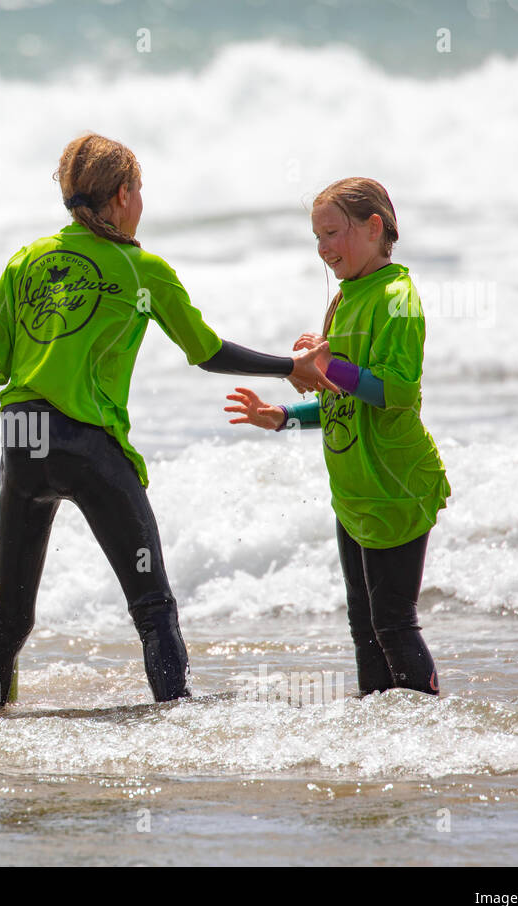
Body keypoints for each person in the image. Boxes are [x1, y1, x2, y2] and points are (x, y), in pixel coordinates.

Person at [0, 132, 336, 709]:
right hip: (87, 444)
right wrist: (289, 366)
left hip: (23, 443)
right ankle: (177, 716)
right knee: (152, 604)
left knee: (9, 616)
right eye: (140, 192)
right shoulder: (140, 268)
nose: (141, 204)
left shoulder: (26, 261)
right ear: (121, 194)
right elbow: (207, 351)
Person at [224, 177, 450, 696]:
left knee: (394, 623)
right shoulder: (344, 299)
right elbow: (338, 399)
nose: (323, 248)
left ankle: (433, 736)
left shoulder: (396, 298)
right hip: (353, 493)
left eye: (332, 233)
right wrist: (283, 416)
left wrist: (331, 363)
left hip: (395, 485)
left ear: (375, 228)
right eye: (316, 237)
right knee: (365, 630)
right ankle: (378, 742)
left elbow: (395, 391)